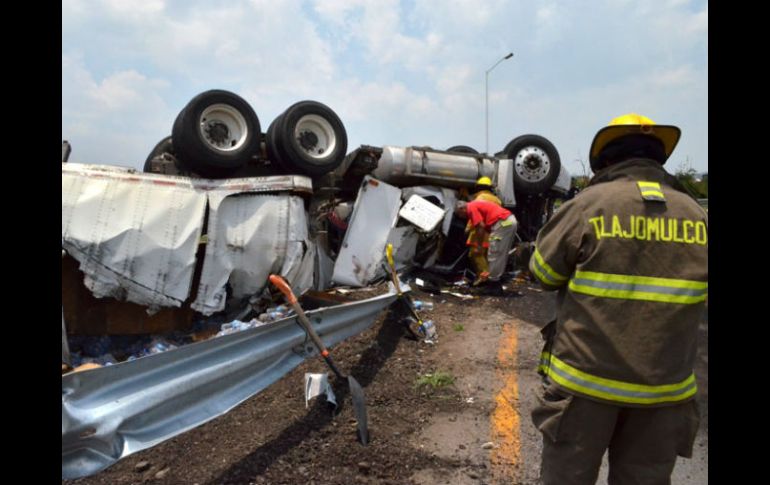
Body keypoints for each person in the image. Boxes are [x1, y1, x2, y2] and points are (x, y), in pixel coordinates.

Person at [528, 113, 707, 484]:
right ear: (658, 158)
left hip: (585, 387)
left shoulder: (588, 206)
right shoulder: (697, 215)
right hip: (664, 392)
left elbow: (544, 274)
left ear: (605, 161)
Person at [455, 198, 517, 288]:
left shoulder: (471, 208)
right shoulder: (476, 204)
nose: (461, 217)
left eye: (459, 214)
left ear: (462, 209)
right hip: (508, 221)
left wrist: (479, 246)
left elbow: (480, 227)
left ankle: (493, 285)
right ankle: (495, 282)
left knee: (494, 254)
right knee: (500, 255)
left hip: (502, 223)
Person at [465, 176, 503, 282]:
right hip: (493, 232)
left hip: (479, 233)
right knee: (486, 257)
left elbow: (475, 216)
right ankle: (485, 279)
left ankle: (485, 280)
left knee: (475, 254)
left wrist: (468, 228)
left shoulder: (479, 198)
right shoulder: (497, 200)